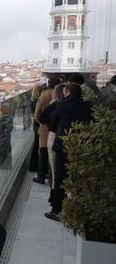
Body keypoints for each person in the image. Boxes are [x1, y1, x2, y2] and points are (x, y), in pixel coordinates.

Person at [47, 82, 92, 221]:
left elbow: (52, 121)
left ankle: (57, 211)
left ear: (66, 92)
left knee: (60, 178)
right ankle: (77, 210)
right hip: (82, 146)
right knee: (78, 178)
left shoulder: (62, 104)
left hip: (63, 144)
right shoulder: (88, 105)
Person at [33, 77, 60, 184]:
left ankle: (41, 177)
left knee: (43, 153)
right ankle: (51, 175)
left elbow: (36, 115)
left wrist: (42, 123)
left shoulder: (43, 96)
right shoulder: (60, 95)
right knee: (53, 154)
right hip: (56, 128)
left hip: (45, 128)